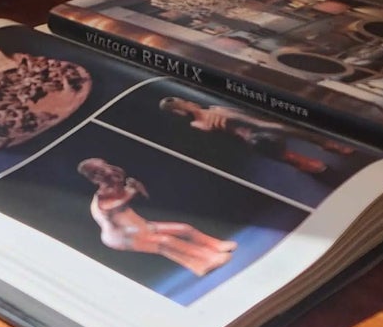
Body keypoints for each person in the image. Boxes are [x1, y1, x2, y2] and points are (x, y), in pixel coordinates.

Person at [76, 158, 238, 277]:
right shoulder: (102, 197)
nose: (109, 171)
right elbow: (113, 207)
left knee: (183, 228)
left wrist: (133, 189)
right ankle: (208, 258)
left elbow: (131, 194)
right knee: (165, 242)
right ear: (94, 178)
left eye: (106, 166)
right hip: (121, 236)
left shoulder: (115, 184)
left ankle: (213, 248)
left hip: (136, 226)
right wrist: (132, 191)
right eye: (100, 171)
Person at [158, 95, 356, 175]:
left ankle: (326, 143)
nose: (186, 103)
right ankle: (300, 161)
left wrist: (226, 113)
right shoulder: (197, 122)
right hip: (246, 135)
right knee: (263, 143)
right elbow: (211, 133)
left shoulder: (213, 107)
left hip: (254, 123)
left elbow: (243, 113)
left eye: (181, 100)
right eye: (179, 105)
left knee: (284, 129)